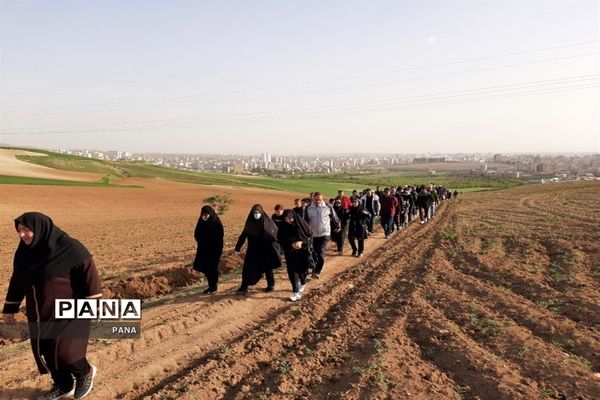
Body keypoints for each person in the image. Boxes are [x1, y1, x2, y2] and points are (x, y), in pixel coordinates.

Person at [2, 212, 101, 400]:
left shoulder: (70, 247)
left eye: (26, 230)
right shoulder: (24, 253)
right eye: (19, 230)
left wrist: (93, 302)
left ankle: (85, 372)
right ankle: (63, 385)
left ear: (40, 228)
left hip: (71, 309)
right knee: (47, 352)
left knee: (67, 352)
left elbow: (90, 273)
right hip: (40, 312)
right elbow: (17, 280)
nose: (22, 235)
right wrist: (10, 308)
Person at [235, 205, 281, 293]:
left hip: (265, 249)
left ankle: (271, 284)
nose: (257, 214)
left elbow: (274, 234)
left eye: (259, 212)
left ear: (262, 213)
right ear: (252, 213)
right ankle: (244, 286)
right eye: (255, 213)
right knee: (247, 268)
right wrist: (237, 248)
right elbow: (242, 236)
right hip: (252, 250)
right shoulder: (249, 224)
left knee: (267, 267)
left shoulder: (267, 223)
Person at [277, 210, 312, 301]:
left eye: (290, 218)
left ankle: (303, 282)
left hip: (302, 253)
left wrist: (302, 243)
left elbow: (309, 238)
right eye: (286, 218)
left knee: (302, 272)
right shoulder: (283, 227)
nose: (289, 220)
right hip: (289, 253)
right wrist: (290, 244)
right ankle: (296, 292)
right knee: (292, 272)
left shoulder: (302, 225)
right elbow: (280, 240)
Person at [305, 193, 340, 279]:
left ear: (322, 199)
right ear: (313, 199)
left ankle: (317, 271)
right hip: (313, 234)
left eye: (319, 200)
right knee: (313, 252)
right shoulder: (308, 208)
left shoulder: (328, 206)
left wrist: (338, 226)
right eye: (316, 199)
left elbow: (335, 217)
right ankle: (314, 268)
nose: (317, 201)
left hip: (324, 233)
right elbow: (305, 220)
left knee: (320, 252)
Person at [193, 205, 224, 294]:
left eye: (207, 214)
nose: (205, 215)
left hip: (214, 250)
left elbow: (219, 237)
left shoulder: (216, 222)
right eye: (203, 214)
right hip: (203, 249)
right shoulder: (201, 221)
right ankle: (211, 286)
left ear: (210, 213)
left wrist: (216, 248)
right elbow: (196, 233)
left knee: (212, 268)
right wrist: (202, 240)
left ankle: (213, 286)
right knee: (205, 268)